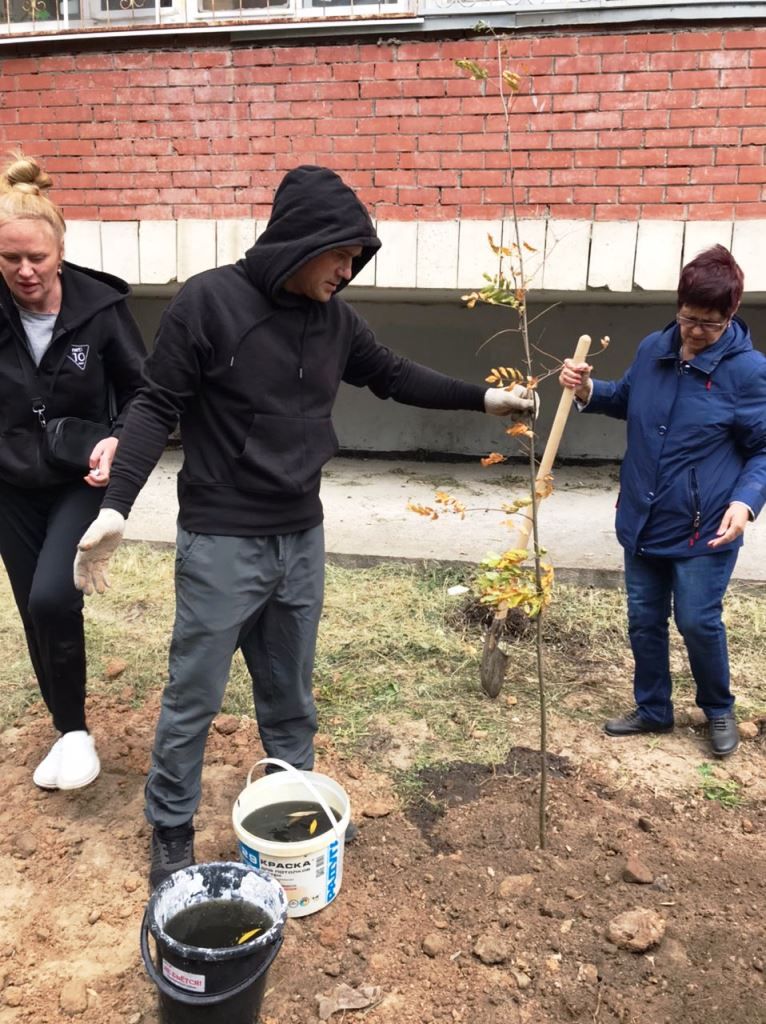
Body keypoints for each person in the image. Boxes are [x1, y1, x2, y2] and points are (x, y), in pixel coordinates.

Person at [72, 164, 539, 889]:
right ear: (301, 242)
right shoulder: (208, 305)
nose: (350, 268)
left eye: (358, 256)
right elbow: (155, 406)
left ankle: (291, 809)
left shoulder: (335, 322)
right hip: (223, 539)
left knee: (290, 695)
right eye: (342, 253)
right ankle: (170, 826)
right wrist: (114, 508)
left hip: (301, 537)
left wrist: (486, 399)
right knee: (194, 693)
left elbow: (394, 373)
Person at [560, 244, 766, 759]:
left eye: (709, 324)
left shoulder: (748, 372)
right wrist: (587, 389)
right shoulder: (655, 347)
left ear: (731, 314)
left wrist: (746, 502)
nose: (694, 332)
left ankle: (718, 709)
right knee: (643, 617)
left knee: (698, 620)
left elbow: (763, 448)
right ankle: (653, 709)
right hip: (643, 514)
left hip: (705, 524)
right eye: (687, 318)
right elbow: (626, 398)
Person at [0, 153, 145, 790]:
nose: (25, 272)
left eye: (37, 257)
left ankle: (74, 730)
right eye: (9, 260)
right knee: (34, 610)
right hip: (10, 484)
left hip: (79, 479)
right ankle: (70, 731)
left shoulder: (101, 309)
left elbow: (146, 396)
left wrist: (118, 441)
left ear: (61, 248)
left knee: (56, 594)